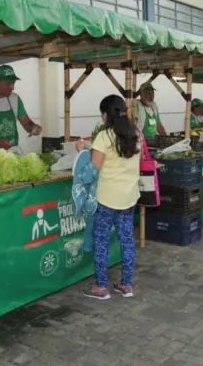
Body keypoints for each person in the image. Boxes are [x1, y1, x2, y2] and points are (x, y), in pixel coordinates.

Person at [77, 95, 140, 300]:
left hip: (107, 199)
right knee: (127, 240)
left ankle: (101, 287)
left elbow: (91, 172)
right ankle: (126, 284)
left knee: (102, 240)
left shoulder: (104, 137)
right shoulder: (135, 135)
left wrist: (80, 153)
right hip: (129, 197)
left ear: (105, 115)